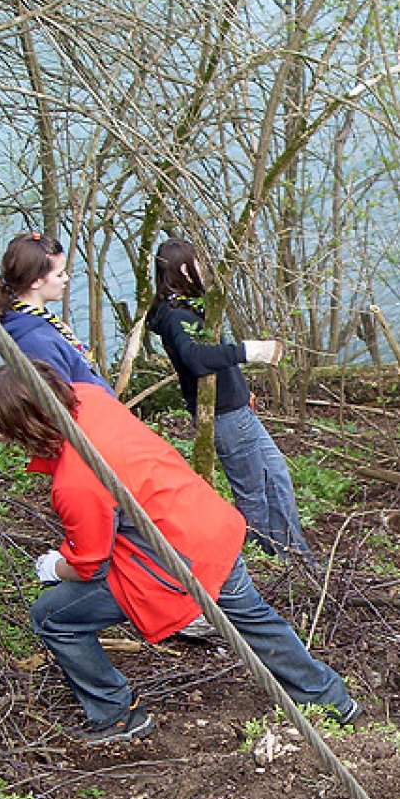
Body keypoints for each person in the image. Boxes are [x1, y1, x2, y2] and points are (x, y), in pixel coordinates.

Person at [0, 362, 359, 744]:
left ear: (23, 426)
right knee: (252, 618)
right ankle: (330, 699)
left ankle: (116, 715)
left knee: (52, 616)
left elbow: (90, 565)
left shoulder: (76, 483)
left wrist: (53, 567)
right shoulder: (88, 398)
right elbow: (47, 419)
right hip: (207, 526)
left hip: (174, 564)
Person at [145, 239, 311, 559]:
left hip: (235, 410)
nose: (204, 269)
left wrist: (241, 390)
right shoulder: (175, 317)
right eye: (198, 263)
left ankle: (293, 554)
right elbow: (196, 358)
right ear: (184, 269)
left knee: (276, 476)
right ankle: (268, 558)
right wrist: (251, 351)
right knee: (253, 495)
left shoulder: (191, 307)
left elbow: (213, 357)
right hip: (226, 418)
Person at [0, 233, 114, 394]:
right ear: (36, 281)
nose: (66, 278)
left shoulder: (39, 321)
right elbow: (64, 399)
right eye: (59, 274)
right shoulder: (36, 342)